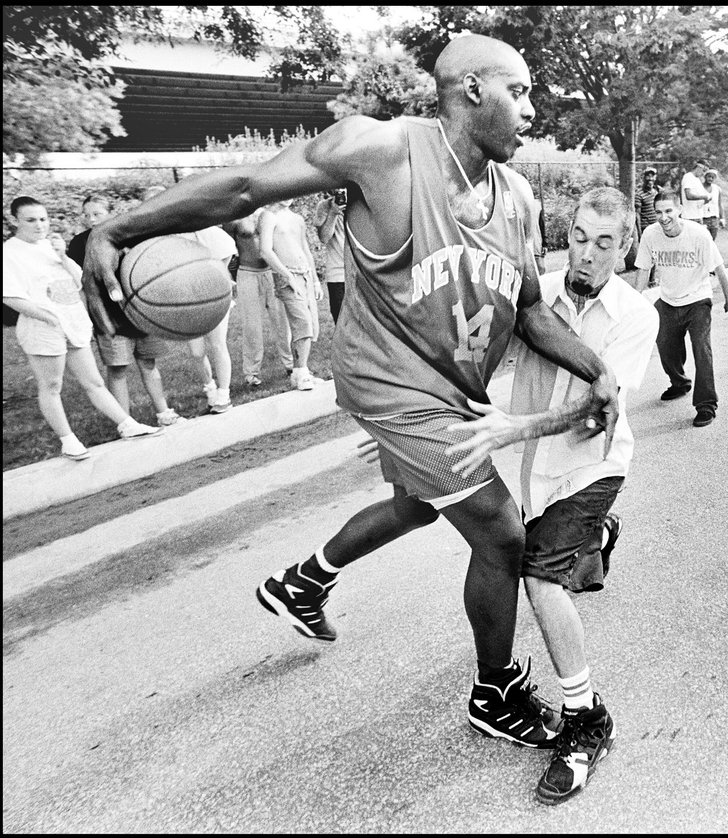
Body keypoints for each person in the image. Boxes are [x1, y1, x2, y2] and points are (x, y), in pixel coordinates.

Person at [82, 33, 620, 751]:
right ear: (471, 91)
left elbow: (527, 311)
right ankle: (494, 693)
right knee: (499, 531)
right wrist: (116, 226)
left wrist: (596, 366)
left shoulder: (517, 196)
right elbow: (248, 187)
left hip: (453, 388)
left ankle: (304, 581)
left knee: (419, 507)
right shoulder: (385, 152)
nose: (532, 108)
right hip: (389, 386)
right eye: (519, 92)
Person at [428, 186, 658, 804]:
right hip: (534, 471)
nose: (586, 254)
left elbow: (596, 409)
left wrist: (512, 427)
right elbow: (473, 358)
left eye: (604, 244)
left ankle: (586, 722)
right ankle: (589, 549)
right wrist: (417, 422)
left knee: (540, 578)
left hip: (594, 467)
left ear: (625, 247)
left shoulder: (637, 316)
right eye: (579, 238)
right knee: (500, 545)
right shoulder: (538, 298)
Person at [4, 196, 162, 461]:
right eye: (31, 220)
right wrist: (47, 317)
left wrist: (62, 256)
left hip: (72, 324)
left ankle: (127, 424)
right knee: (52, 385)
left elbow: (80, 279)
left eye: (43, 219)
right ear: (14, 220)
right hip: (43, 327)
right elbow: (9, 296)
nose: (39, 225)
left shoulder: (49, 246)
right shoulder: (10, 253)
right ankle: (68, 440)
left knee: (95, 382)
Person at [68, 193, 186, 426]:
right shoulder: (80, 244)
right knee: (118, 368)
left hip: (140, 311)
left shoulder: (128, 237)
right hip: (109, 315)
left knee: (148, 363)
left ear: (110, 214)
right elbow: (80, 284)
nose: (91, 219)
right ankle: (126, 423)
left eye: (97, 214)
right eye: (87, 215)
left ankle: (164, 414)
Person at [635, 188, 728, 427]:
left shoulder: (698, 234)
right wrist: (636, 302)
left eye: (669, 210)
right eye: (658, 212)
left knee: (702, 350)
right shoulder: (651, 234)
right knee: (665, 346)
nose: (664, 217)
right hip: (669, 300)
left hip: (697, 300)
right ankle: (679, 382)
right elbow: (642, 269)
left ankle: (706, 405)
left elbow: (719, 267)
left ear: (680, 210)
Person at [137, 186, 239, 414]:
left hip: (212, 296)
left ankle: (224, 394)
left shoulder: (191, 224)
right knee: (196, 352)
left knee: (217, 344)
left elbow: (226, 247)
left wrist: (218, 277)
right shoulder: (154, 234)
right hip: (185, 299)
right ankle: (210, 388)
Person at [258, 197, 322, 391]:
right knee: (302, 321)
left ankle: (299, 372)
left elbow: (305, 249)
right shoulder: (268, 216)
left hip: (305, 273)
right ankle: (302, 373)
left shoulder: (297, 218)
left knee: (310, 323)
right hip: (287, 275)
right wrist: (286, 275)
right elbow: (265, 251)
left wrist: (316, 280)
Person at [225, 208, 292, 387]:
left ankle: (291, 364)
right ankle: (251, 372)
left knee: (282, 320)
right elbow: (227, 251)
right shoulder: (235, 218)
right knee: (251, 325)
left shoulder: (269, 215)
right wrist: (230, 279)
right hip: (247, 273)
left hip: (271, 272)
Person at [314, 189, 348, 324]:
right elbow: (324, 238)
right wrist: (333, 213)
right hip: (337, 273)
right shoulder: (324, 206)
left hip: (361, 272)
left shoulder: (363, 202)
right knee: (340, 320)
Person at [679, 157, 709, 224]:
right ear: (699, 167)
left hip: (698, 216)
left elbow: (702, 196)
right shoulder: (688, 177)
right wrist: (703, 197)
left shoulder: (698, 180)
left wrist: (707, 199)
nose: (703, 174)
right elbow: (688, 195)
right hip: (689, 217)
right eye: (703, 171)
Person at [633, 167, 659, 238]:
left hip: (657, 227)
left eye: (652, 176)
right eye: (648, 176)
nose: (650, 179)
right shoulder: (639, 194)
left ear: (655, 178)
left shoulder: (656, 192)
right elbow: (637, 215)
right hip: (646, 229)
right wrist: (639, 233)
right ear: (643, 178)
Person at [700, 168, 724, 240]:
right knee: (703, 239)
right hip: (703, 217)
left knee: (712, 240)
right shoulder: (699, 187)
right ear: (705, 177)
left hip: (714, 218)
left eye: (713, 177)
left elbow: (719, 204)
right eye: (709, 176)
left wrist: (722, 218)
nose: (710, 179)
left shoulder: (717, 189)